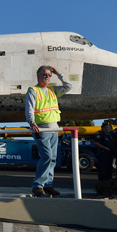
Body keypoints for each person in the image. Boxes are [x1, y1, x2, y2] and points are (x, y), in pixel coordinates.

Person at [25, 65, 72, 197]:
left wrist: (58, 73)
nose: (47, 76)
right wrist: (31, 121)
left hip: (54, 129)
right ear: (38, 76)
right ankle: (37, 186)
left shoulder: (53, 90)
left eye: (49, 74)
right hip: (41, 128)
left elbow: (69, 86)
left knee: (53, 159)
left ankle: (48, 185)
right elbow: (29, 108)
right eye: (44, 74)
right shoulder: (33, 90)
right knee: (47, 156)